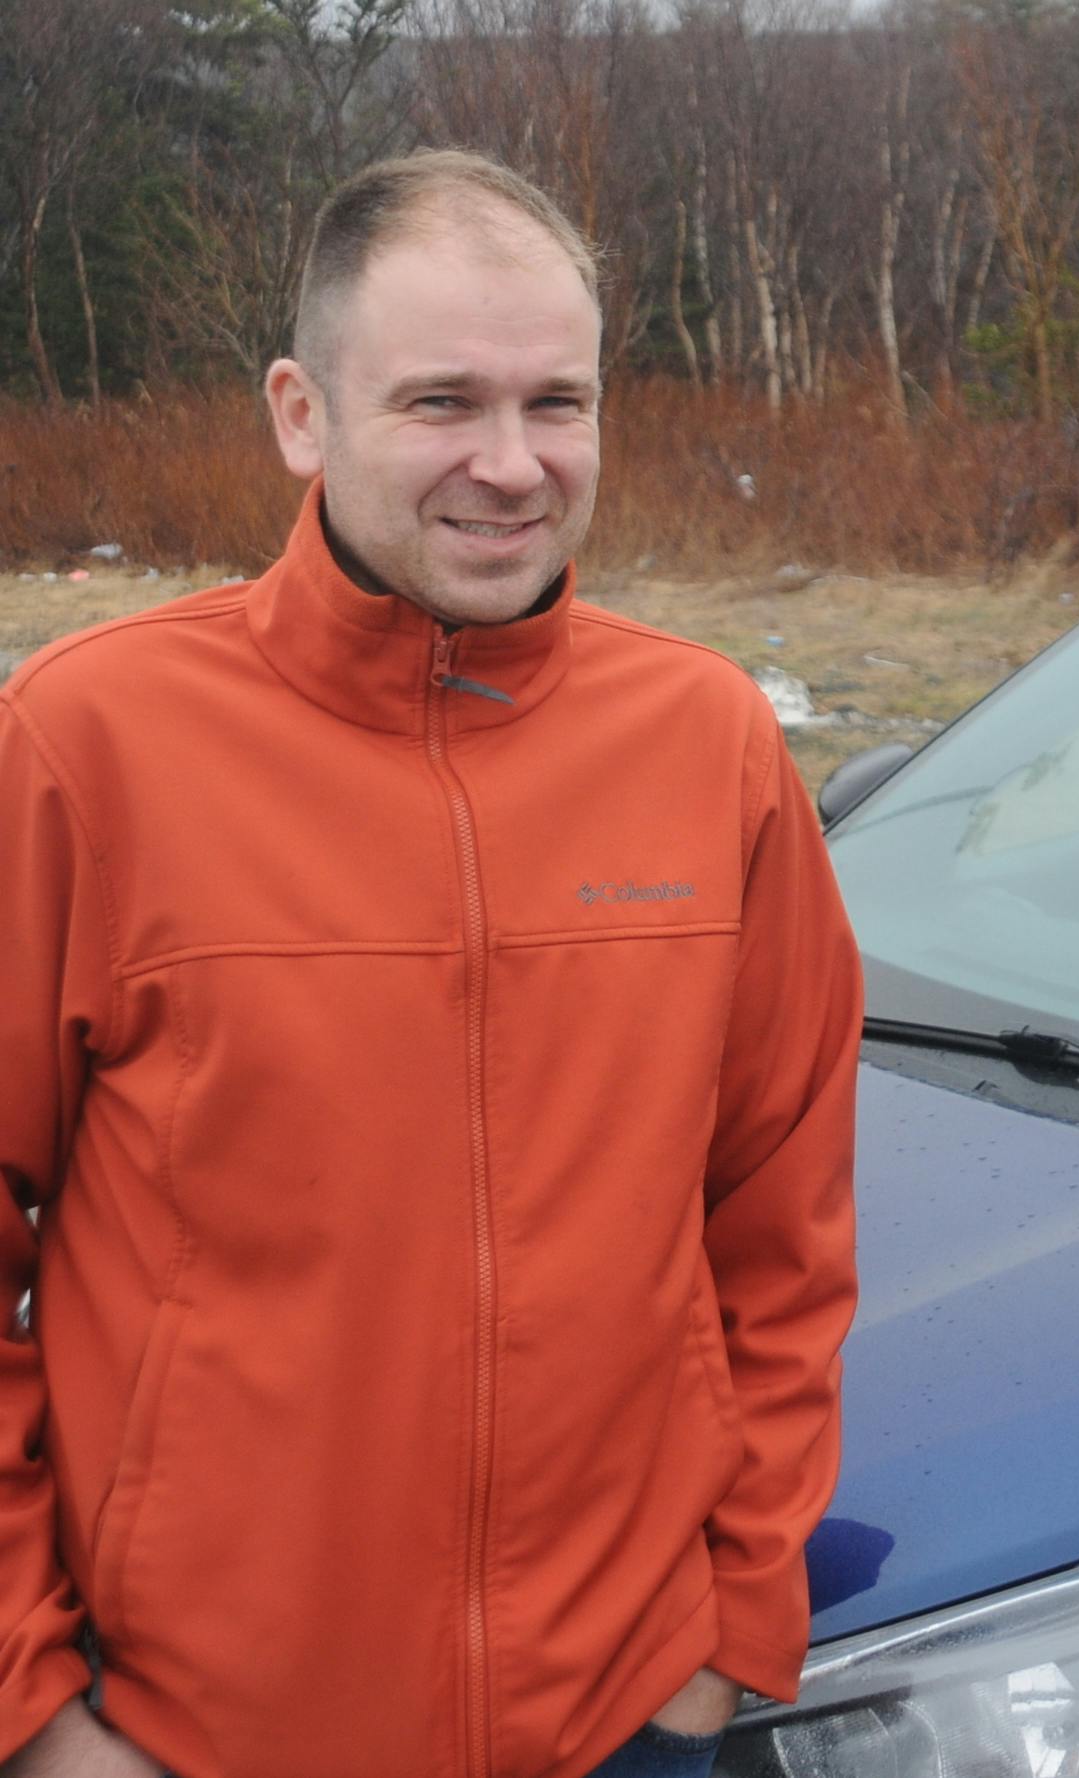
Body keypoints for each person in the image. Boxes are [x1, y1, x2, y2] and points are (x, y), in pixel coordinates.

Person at [0, 151, 861, 1778]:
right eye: (442, 402)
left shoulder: (709, 745)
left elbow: (783, 1234)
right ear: (300, 414)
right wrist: (31, 1710)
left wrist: (733, 1631)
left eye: (560, 402)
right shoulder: (87, 742)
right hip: (202, 1736)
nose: (513, 464)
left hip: (627, 1723)